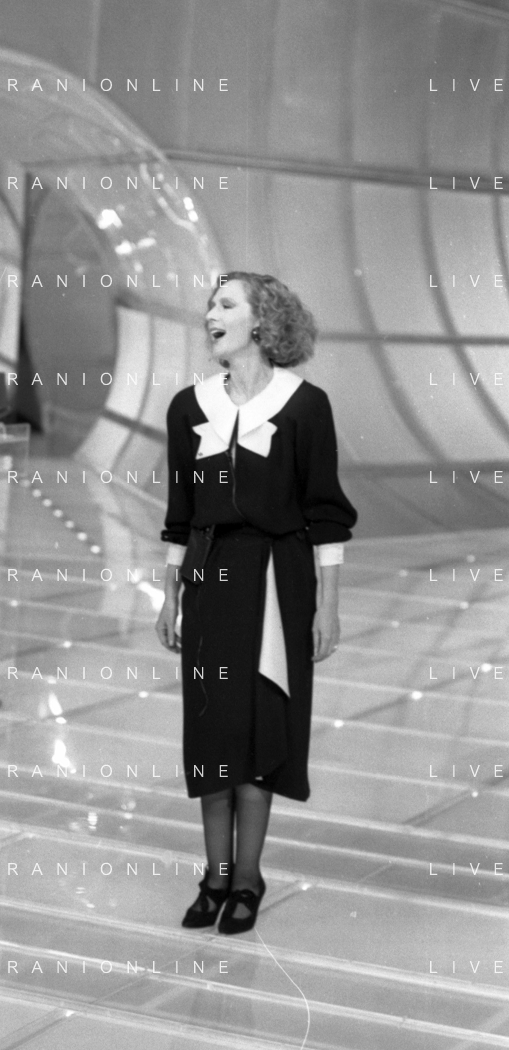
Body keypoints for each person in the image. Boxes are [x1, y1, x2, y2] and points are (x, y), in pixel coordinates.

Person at [155, 272, 356, 935]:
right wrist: (169, 593)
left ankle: (246, 878)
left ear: (261, 321)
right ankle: (214, 876)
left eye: (225, 304)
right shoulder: (187, 408)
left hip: (278, 581)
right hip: (209, 579)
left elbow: (325, 514)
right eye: (209, 305)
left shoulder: (306, 406)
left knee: (262, 729)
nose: (210, 314)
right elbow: (180, 512)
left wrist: (327, 605)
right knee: (212, 731)